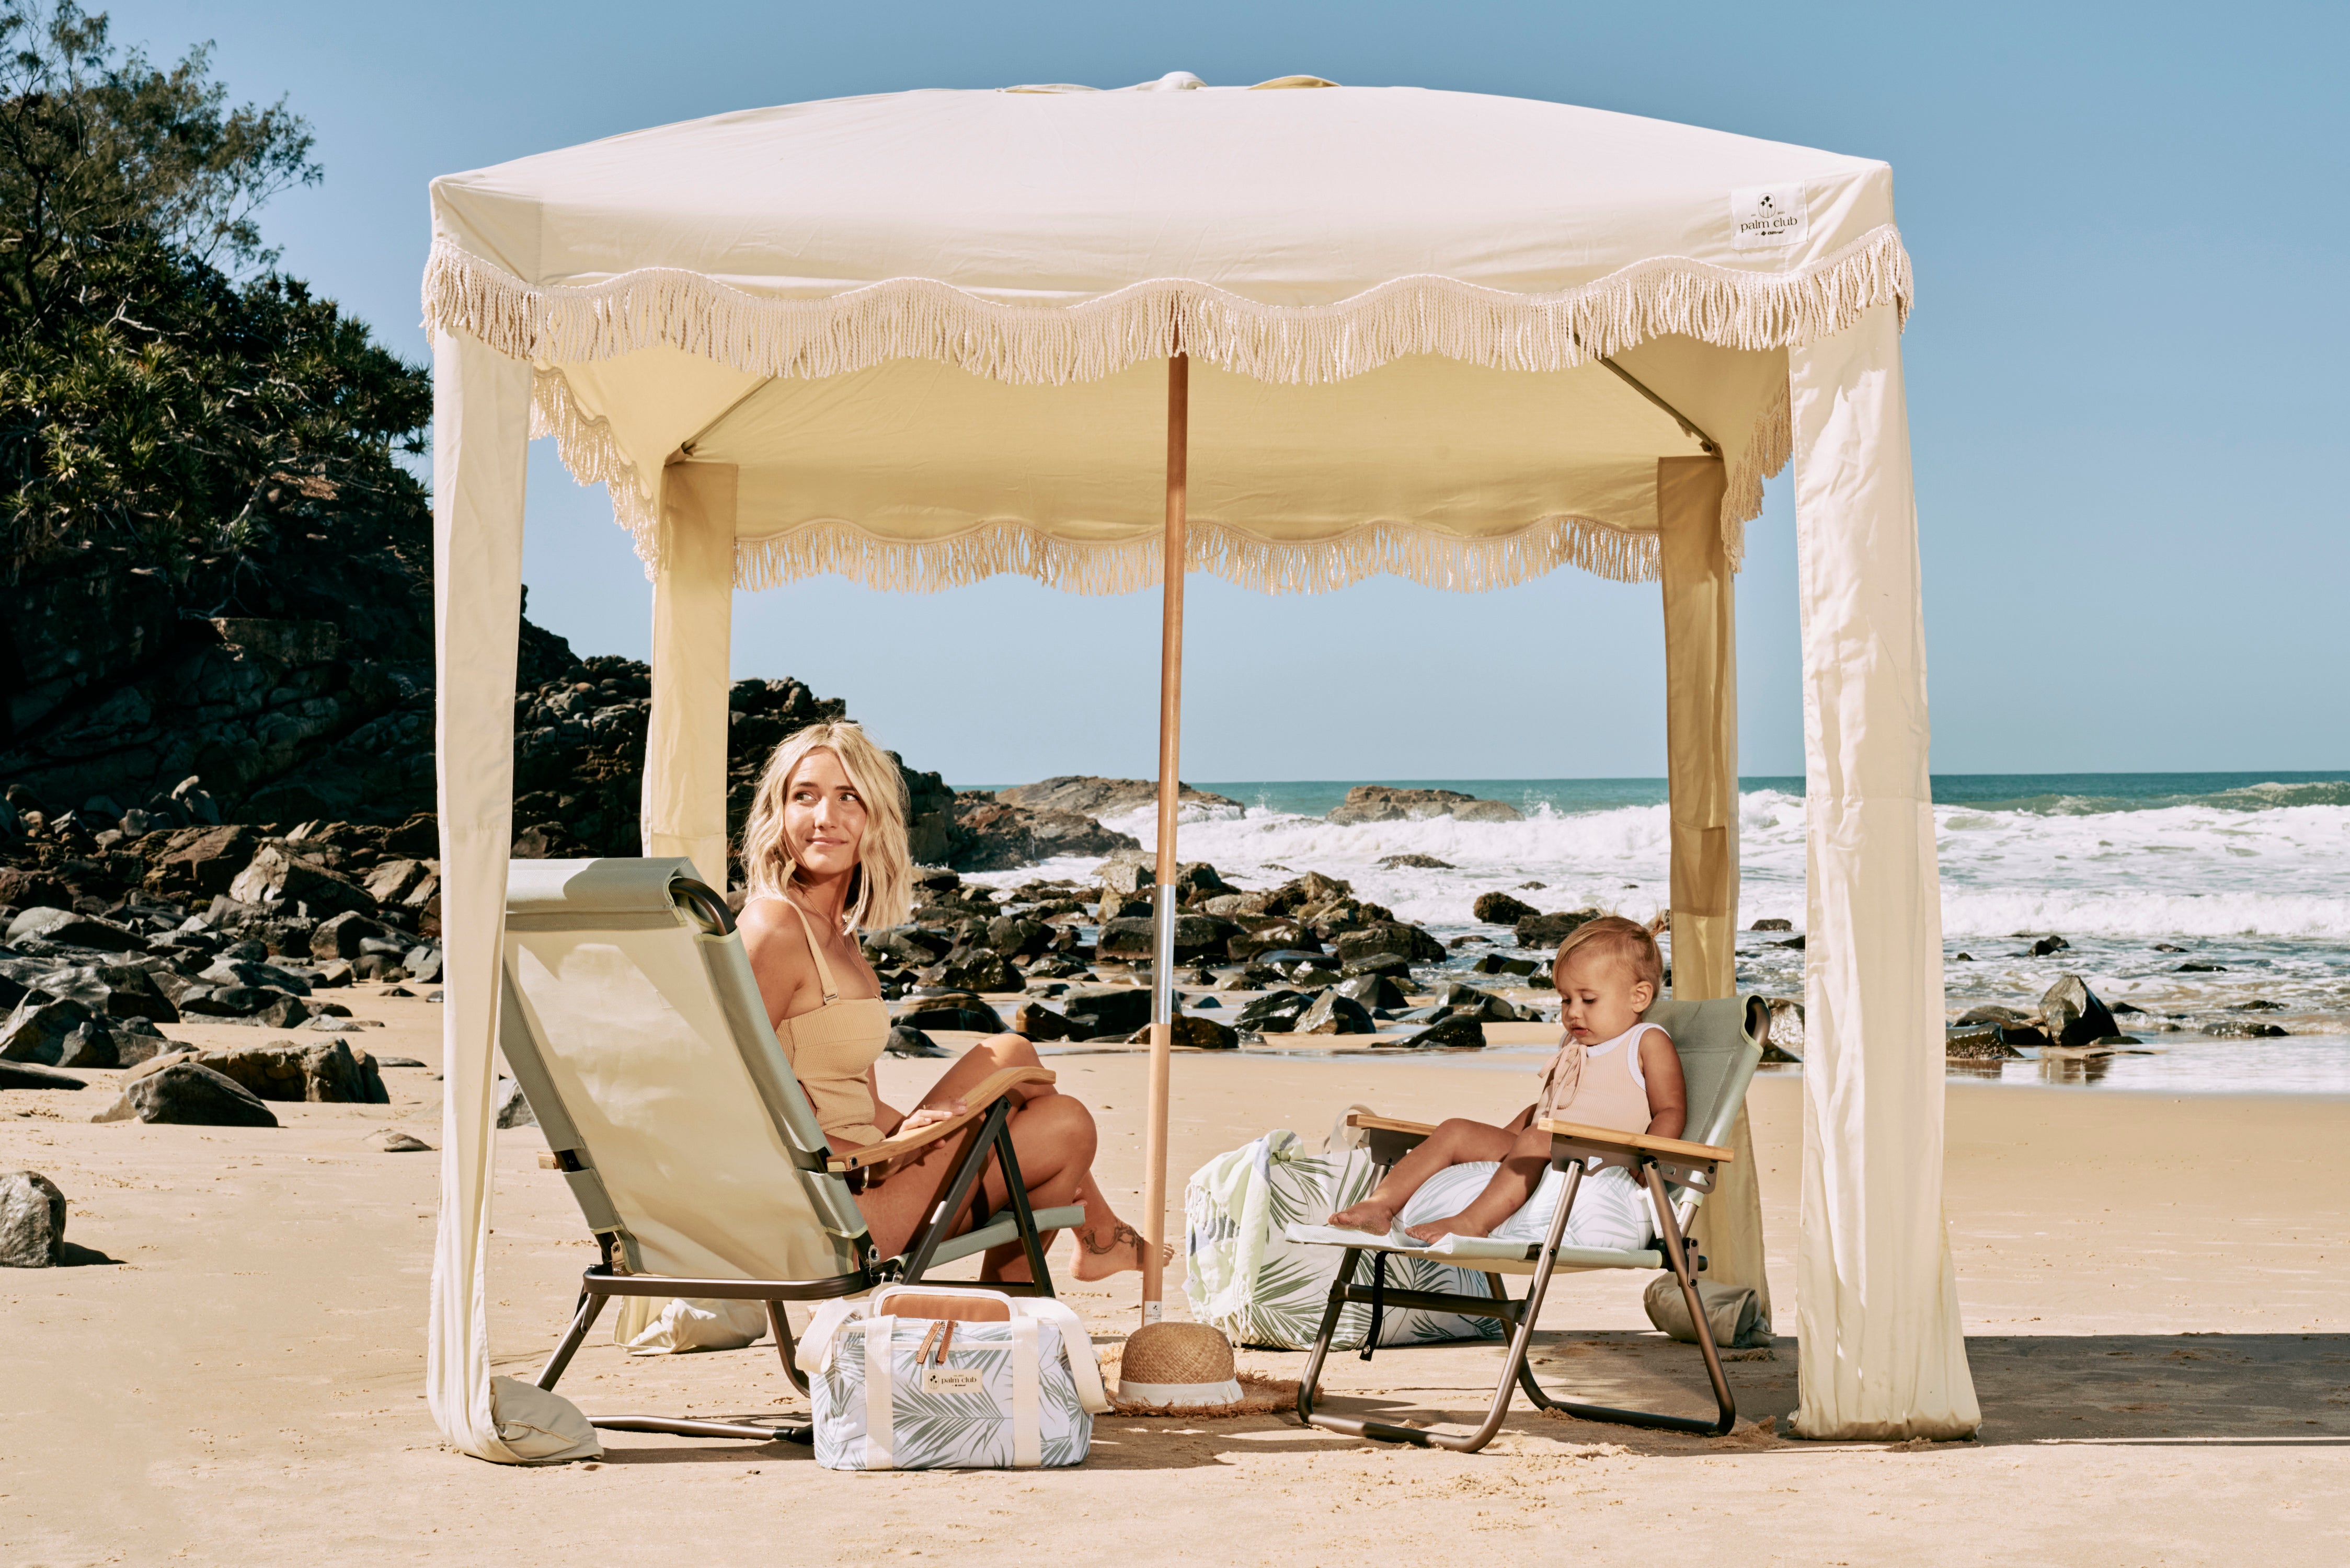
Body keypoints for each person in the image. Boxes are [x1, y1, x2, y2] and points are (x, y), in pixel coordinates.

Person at [735, 720, 1165, 1279]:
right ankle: (1093, 1242)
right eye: (805, 796)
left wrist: (917, 1139)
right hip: (835, 1208)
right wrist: (878, 1157)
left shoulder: (840, 938)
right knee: (1065, 1127)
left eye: (848, 797)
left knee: (1011, 1053)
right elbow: (739, 1096)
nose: (825, 817)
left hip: (867, 1165)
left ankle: (1047, 1281)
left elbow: (859, 1102)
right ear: (777, 811)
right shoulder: (773, 926)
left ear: (875, 817)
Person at [1327, 915, 1687, 1250]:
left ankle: (1472, 1222)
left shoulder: (1646, 1041)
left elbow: (1670, 1109)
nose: (1572, 1012)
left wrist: (1649, 1158)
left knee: (1538, 1135)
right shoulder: (1573, 1044)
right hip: (1546, 1148)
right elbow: (1548, 1108)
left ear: (1638, 996)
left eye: (1588, 1000)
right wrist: (1505, 1138)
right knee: (1455, 1130)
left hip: (1602, 1162)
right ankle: (1381, 1204)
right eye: (1565, 999)